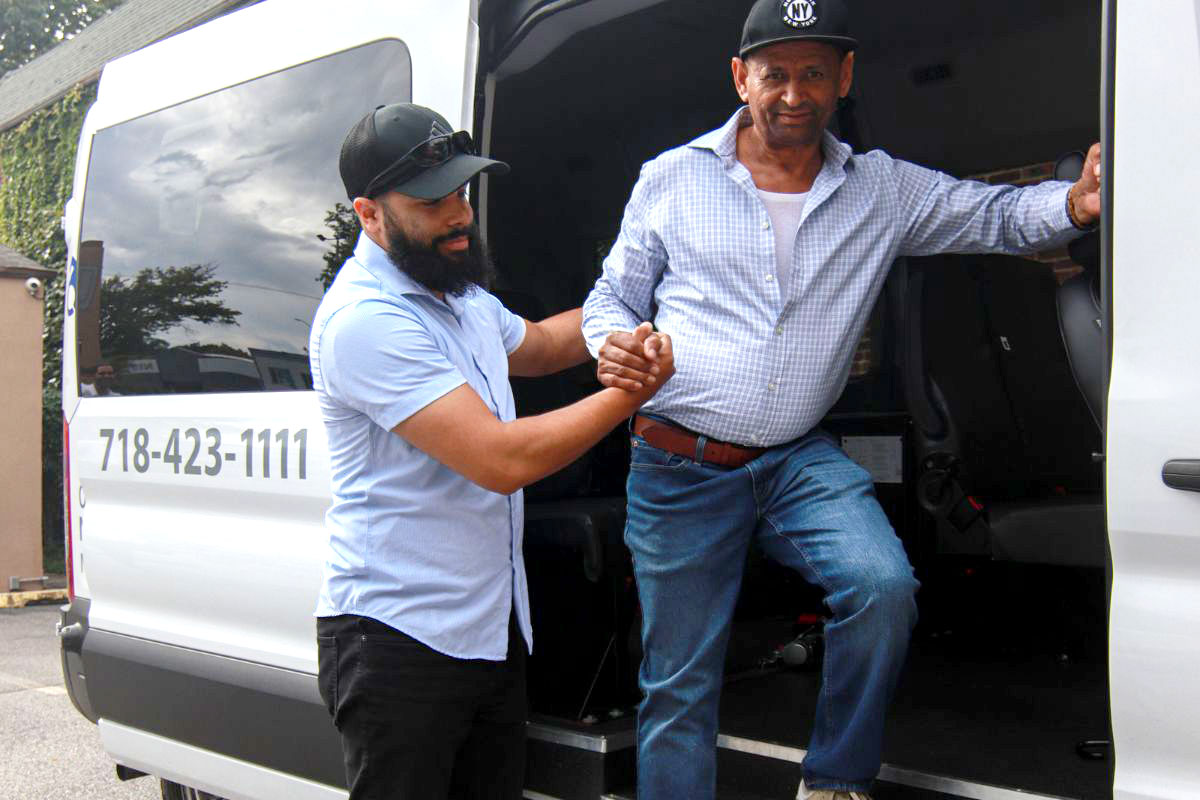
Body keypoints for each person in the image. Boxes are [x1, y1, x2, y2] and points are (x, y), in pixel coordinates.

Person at [582, 1, 1102, 799]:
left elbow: (991, 214)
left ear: (845, 78)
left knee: (882, 587)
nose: (795, 93)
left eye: (815, 73)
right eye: (776, 73)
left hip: (795, 458)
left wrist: (1072, 206)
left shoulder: (881, 189)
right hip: (679, 464)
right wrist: (611, 343)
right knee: (680, 685)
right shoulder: (671, 178)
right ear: (740, 78)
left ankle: (833, 781)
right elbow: (612, 299)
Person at [310, 103, 673, 800]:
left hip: (486, 632)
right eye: (433, 200)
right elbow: (501, 458)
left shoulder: (459, 296)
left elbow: (538, 346)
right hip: (397, 642)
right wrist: (632, 392)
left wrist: (628, 317)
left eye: (461, 191)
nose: (459, 215)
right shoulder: (367, 321)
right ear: (369, 213)